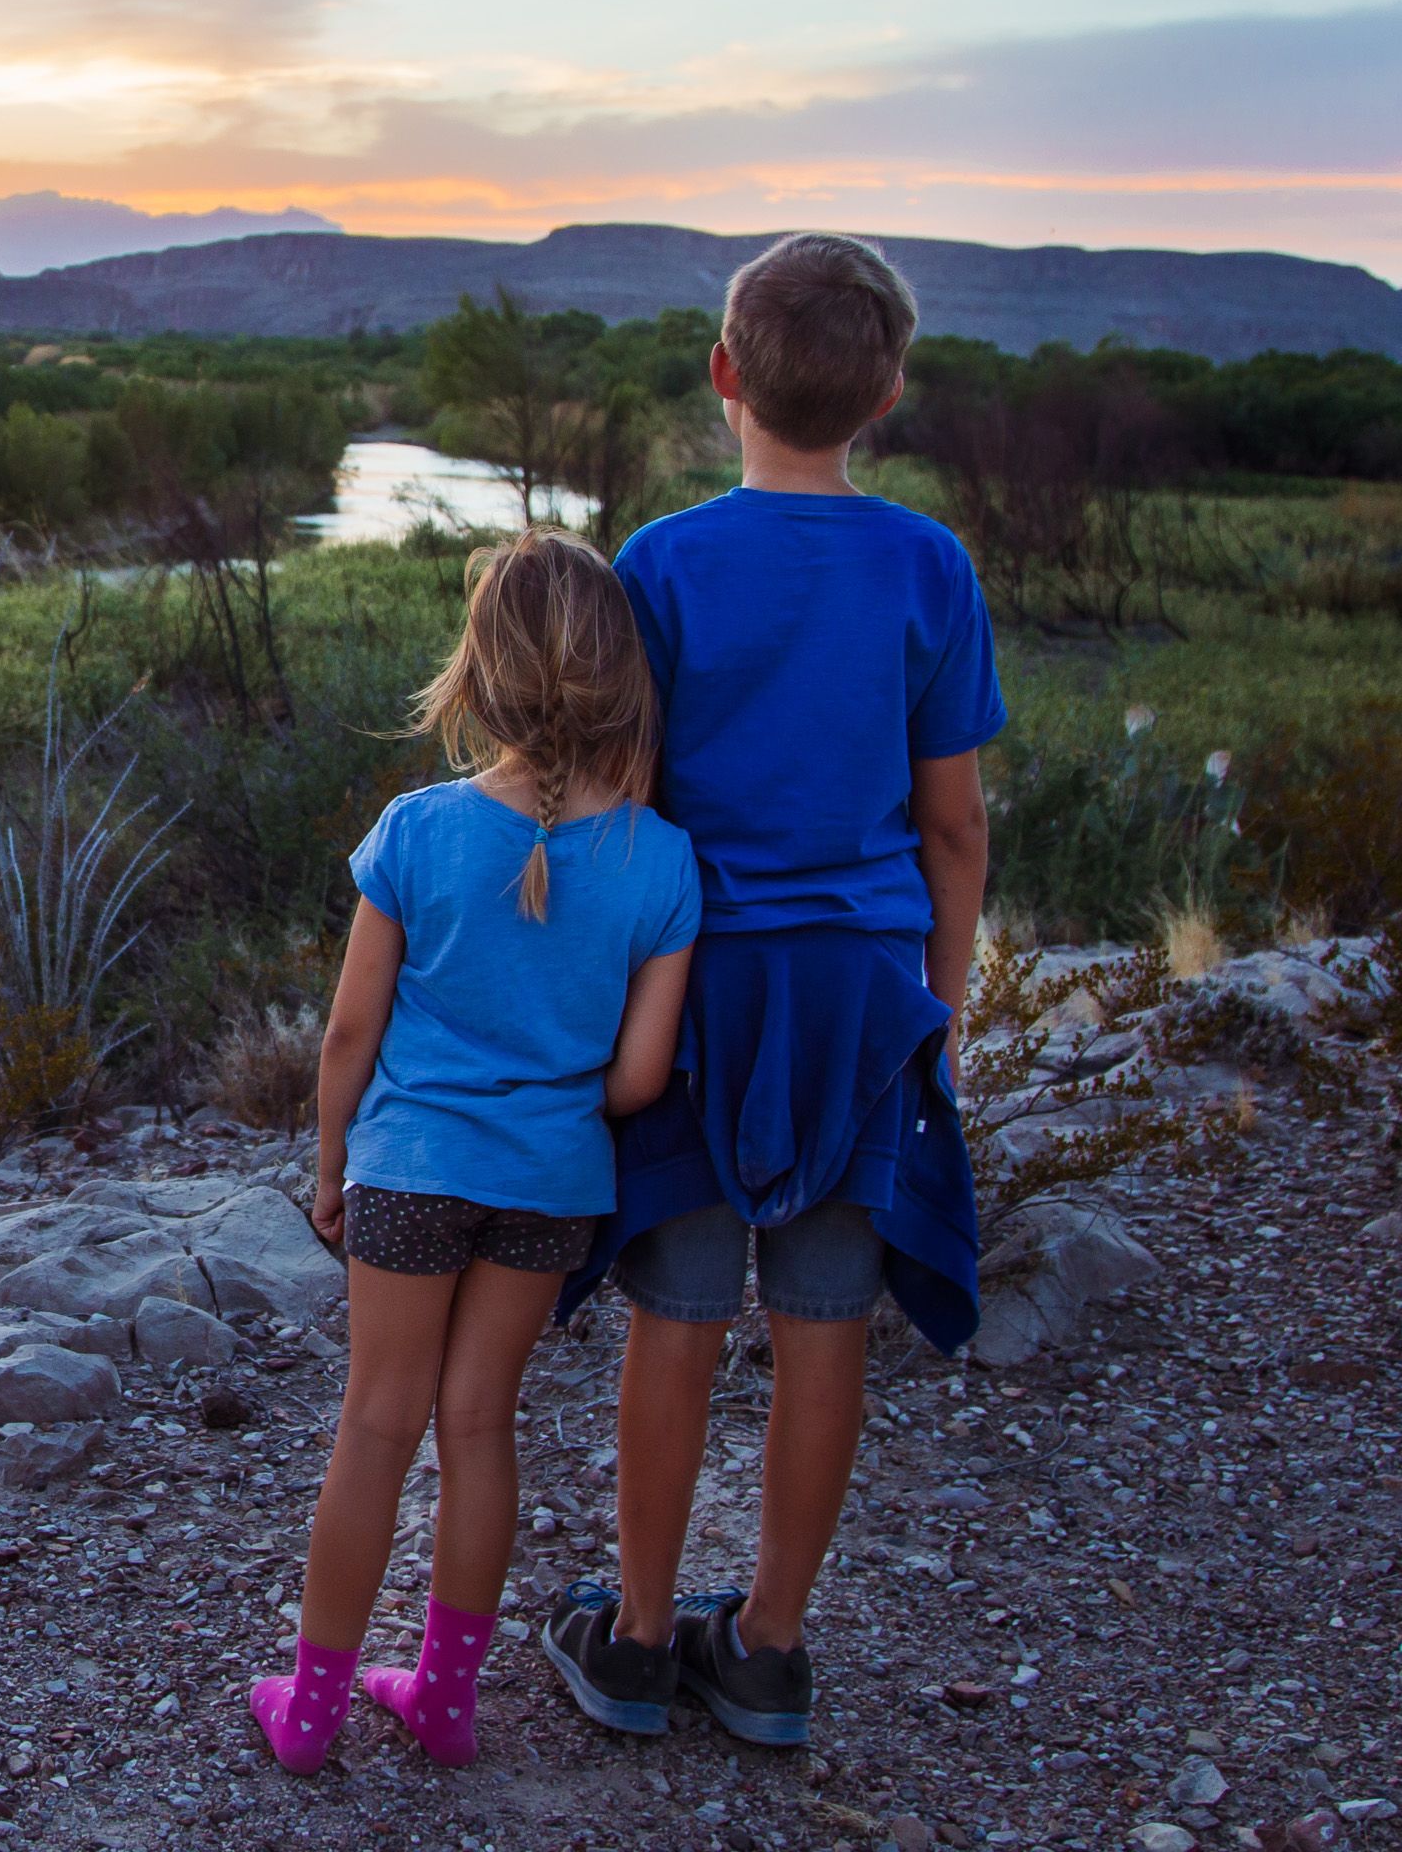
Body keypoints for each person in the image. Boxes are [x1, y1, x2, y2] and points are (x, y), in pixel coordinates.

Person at [543, 233, 1004, 1749]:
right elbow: (952, 824)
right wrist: (936, 1002)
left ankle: (637, 1636)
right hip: (862, 997)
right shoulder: (932, 568)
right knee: (825, 1323)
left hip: (696, 987)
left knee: (672, 1317)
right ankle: (773, 1653)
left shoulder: (661, 565)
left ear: (725, 374)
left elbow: (615, 802)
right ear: (884, 394)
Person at [248, 528, 700, 1774]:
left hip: (407, 1169)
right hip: (550, 1182)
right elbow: (638, 1080)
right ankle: (445, 1701)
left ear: (480, 675)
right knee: (480, 1426)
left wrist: (332, 1166)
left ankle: (316, 1704)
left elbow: (348, 1031)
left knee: (376, 1424)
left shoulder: (419, 828)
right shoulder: (664, 861)